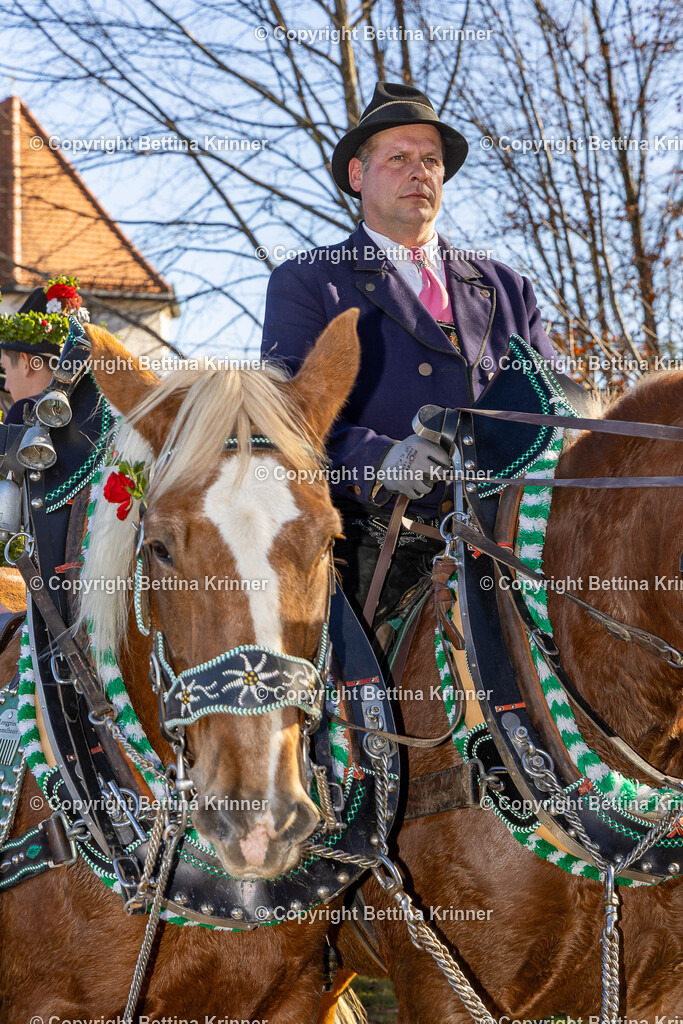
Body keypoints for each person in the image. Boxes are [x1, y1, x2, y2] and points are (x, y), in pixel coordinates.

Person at [261, 81, 559, 620]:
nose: (419, 171)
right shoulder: (308, 281)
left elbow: (555, 410)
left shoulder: (508, 285)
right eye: (398, 158)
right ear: (358, 175)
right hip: (376, 552)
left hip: (518, 548)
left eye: (431, 160)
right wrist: (380, 459)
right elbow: (285, 421)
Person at [0, 277, 88, 424]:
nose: (6, 386)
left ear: (26, 363)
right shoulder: (94, 412)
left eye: (6, 369)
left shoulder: (24, 411)